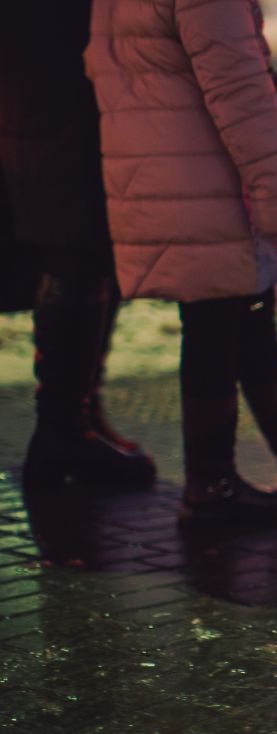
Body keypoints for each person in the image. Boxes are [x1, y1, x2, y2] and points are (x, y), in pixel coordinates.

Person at [85, 0, 277, 529]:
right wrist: (274, 192)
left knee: (242, 307)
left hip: (161, 164)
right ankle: (211, 485)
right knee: (216, 317)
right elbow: (239, 91)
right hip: (201, 169)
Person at [0, 2, 156, 489]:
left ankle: (76, 418)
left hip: (49, 89)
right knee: (77, 250)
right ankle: (65, 429)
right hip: (56, 90)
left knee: (87, 250)